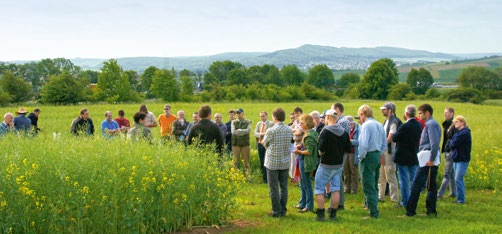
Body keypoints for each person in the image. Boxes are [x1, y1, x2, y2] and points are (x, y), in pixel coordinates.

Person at [314, 110, 351, 221]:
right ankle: (333, 214)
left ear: (329, 117)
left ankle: (320, 215)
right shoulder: (344, 132)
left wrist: (321, 154)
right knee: (336, 189)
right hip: (338, 165)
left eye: (325, 117)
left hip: (325, 164)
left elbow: (321, 149)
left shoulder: (325, 131)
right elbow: (348, 148)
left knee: (319, 189)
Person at [405, 104, 441, 217]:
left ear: (427, 113)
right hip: (429, 157)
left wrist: (431, 159)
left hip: (428, 157)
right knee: (431, 185)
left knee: (416, 184)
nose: (419, 115)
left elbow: (434, 143)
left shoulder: (431, 124)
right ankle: (431, 210)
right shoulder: (431, 124)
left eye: (420, 113)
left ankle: (410, 211)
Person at [357, 104, 387, 219]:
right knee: (374, 182)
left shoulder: (366, 126)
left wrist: (360, 157)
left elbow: (363, 144)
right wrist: (378, 153)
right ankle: (370, 204)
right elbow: (384, 143)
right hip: (377, 154)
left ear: (362, 114)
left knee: (368, 184)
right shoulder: (379, 124)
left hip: (368, 156)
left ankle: (373, 212)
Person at [263, 108, 293, 217]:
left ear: (274, 117)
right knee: (284, 187)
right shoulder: (289, 129)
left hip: (272, 162)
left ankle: (276, 211)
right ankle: (283, 209)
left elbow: (264, 143)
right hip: (285, 161)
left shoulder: (271, 130)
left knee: (274, 187)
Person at [392, 105, 422, 207]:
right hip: (413, 154)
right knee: (413, 178)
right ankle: (413, 200)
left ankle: (405, 201)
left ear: (406, 114)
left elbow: (395, 138)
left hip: (403, 155)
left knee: (404, 180)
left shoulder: (405, 126)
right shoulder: (418, 125)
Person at [293, 114, 318, 213]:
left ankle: (309, 205)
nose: (300, 124)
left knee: (306, 183)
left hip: (306, 162)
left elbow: (309, 151)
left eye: (302, 122)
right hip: (303, 160)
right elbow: (306, 146)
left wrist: (299, 152)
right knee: (302, 183)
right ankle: (302, 203)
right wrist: (300, 146)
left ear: (306, 124)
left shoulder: (309, 135)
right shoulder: (309, 132)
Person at [378, 102, 399, 204]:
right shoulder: (386, 121)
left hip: (389, 152)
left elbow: (390, 138)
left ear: (390, 110)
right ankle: (380, 196)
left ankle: (394, 198)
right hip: (384, 151)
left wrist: (381, 146)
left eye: (384, 109)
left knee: (390, 175)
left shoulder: (393, 122)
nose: (382, 111)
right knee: (381, 175)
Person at [331, 103, 351, 210]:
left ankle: (339, 203)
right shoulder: (341, 121)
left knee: (337, 176)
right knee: (337, 177)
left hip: (340, 152)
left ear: (337, 109)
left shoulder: (342, 122)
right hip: (340, 151)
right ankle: (339, 202)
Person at [448, 116, 471, 204]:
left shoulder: (464, 133)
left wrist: (452, 142)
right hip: (457, 158)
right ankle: (459, 198)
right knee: (456, 178)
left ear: (462, 122)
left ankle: (461, 199)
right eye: (454, 122)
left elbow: (453, 143)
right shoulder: (459, 132)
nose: (455, 123)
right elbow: (451, 142)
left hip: (462, 159)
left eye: (457, 122)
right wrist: (452, 142)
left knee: (458, 178)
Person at [438, 107, 457, 199]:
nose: (445, 114)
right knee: (451, 173)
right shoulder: (446, 124)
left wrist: (449, 148)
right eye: (444, 113)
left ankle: (439, 194)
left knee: (446, 174)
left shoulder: (454, 125)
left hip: (450, 151)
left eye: (447, 113)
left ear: (452, 113)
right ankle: (453, 192)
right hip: (447, 150)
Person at [254, 111, 274, 183]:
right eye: (261, 116)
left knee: (267, 161)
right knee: (262, 161)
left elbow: (270, 134)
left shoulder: (271, 124)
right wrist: (261, 134)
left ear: (266, 116)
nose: (262, 117)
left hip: (267, 144)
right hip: (260, 144)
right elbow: (255, 133)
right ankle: (264, 178)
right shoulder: (259, 124)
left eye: (263, 116)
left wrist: (263, 135)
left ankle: (269, 178)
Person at [231, 108, 252, 178]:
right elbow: (233, 132)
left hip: (245, 145)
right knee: (235, 162)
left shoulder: (248, 122)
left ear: (243, 113)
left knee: (246, 162)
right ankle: (235, 177)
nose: (238, 114)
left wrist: (239, 130)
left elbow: (248, 131)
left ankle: (248, 177)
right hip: (236, 145)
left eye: (239, 113)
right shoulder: (233, 122)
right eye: (237, 113)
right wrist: (243, 132)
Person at [343, 115, 360, 194]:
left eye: (350, 124)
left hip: (353, 152)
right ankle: (347, 188)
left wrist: (350, 141)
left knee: (354, 171)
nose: (349, 126)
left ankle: (354, 189)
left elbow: (358, 142)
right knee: (346, 171)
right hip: (346, 152)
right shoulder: (345, 130)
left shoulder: (358, 130)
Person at [290, 107, 304, 180]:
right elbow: (290, 128)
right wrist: (295, 130)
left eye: (298, 114)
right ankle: (294, 177)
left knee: (299, 161)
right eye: (296, 115)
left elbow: (299, 133)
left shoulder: (303, 122)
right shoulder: (295, 122)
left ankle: (299, 178)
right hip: (295, 142)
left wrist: (294, 131)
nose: (297, 116)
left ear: (301, 113)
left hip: (301, 143)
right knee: (293, 161)